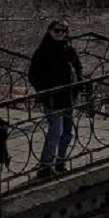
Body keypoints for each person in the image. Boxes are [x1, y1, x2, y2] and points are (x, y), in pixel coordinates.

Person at [27, 19, 85, 178]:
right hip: (52, 98)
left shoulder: (69, 49)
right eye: (56, 31)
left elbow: (79, 67)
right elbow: (33, 75)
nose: (60, 34)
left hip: (68, 97)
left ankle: (60, 162)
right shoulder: (43, 51)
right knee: (55, 132)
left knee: (67, 133)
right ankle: (45, 167)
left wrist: (79, 83)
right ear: (49, 31)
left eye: (63, 31)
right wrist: (45, 90)